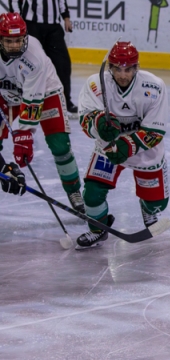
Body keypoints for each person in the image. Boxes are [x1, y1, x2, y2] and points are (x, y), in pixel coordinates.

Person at [75, 41, 169, 249]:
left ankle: (147, 207)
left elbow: (155, 131)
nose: (123, 75)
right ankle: (98, 230)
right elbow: (85, 119)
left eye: (128, 69)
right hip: (109, 147)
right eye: (118, 69)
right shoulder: (96, 84)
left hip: (144, 150)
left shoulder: (154, 87)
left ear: (136, 67)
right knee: (92, 194)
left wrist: (126, 146)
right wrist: (99, 124)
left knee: (157, 204)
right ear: (110, 67)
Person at [0, 12, 83, 212]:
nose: (15, 45)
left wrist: (24, 135)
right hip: (7, 95)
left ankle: (74, 191)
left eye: (18, 40)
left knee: (59, 144)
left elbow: (32, 100)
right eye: (9, 41)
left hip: (45, 93)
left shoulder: (34, 54)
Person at [13, 0, 77, 114]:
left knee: (62, 64)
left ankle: (65, 101)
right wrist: (17, 20)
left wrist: (66, 18)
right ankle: (25, 100)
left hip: (53, 27)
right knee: (29, 64)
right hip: (31, 25)